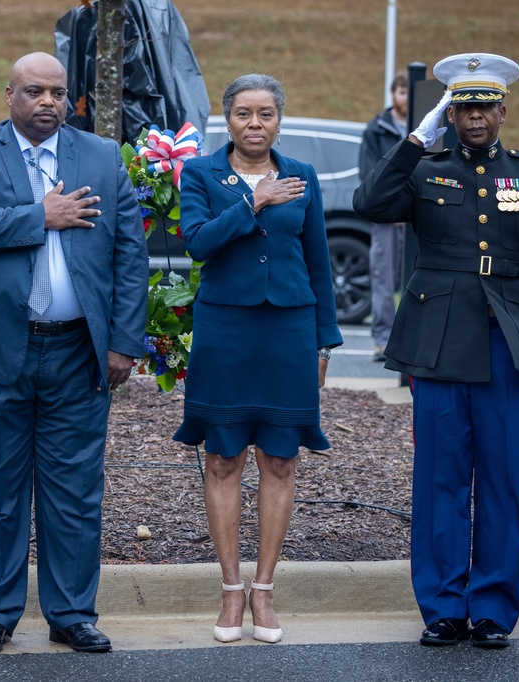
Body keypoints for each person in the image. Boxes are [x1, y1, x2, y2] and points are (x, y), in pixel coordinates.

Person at [0, 52, 148, 655]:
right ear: (10, 95)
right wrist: (40, 216)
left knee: (74, 491)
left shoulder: (100, 158)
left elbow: (129, 253)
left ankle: (71, 613)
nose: (47, 102)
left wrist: (125, 340)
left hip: (78, 351)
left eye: (57, 93)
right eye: (33, 92)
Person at [354, 53, 519, 649]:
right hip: (439, 343)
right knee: (440, 480)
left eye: (483, 106)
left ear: (502, 110)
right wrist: (413, 141)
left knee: (503, 478)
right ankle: (444, 606)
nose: (474, 117)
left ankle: (495, 609)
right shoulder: (426, 168)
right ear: (451, 112)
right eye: (462, 106)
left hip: (508, 343)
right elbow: (369, 203)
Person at [173, 74, 343, 645]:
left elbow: (318, 260)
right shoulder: (199, 173)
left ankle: (264, 590)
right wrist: (254, 200)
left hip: (289, 330)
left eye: (265, 114)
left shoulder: (304, 176)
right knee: (222, 459)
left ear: (278, 120)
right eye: (244, 113)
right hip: (226, 329)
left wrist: (324, 341)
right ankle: (229, 589)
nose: (255, 124)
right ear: (228, 119)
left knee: (281, 458)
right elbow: (197, 242)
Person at [359, 74, 409, 361]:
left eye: (408, 92)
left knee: (417, 279)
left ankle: (411, 339)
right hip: (387, 219)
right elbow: (369, 174)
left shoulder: (424, 127)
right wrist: (392, 209)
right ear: (393, 94)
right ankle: (383, 341)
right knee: (383, 278)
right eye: (401, 92)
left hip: (416, 218)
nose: (405, 98)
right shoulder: (376, 129)